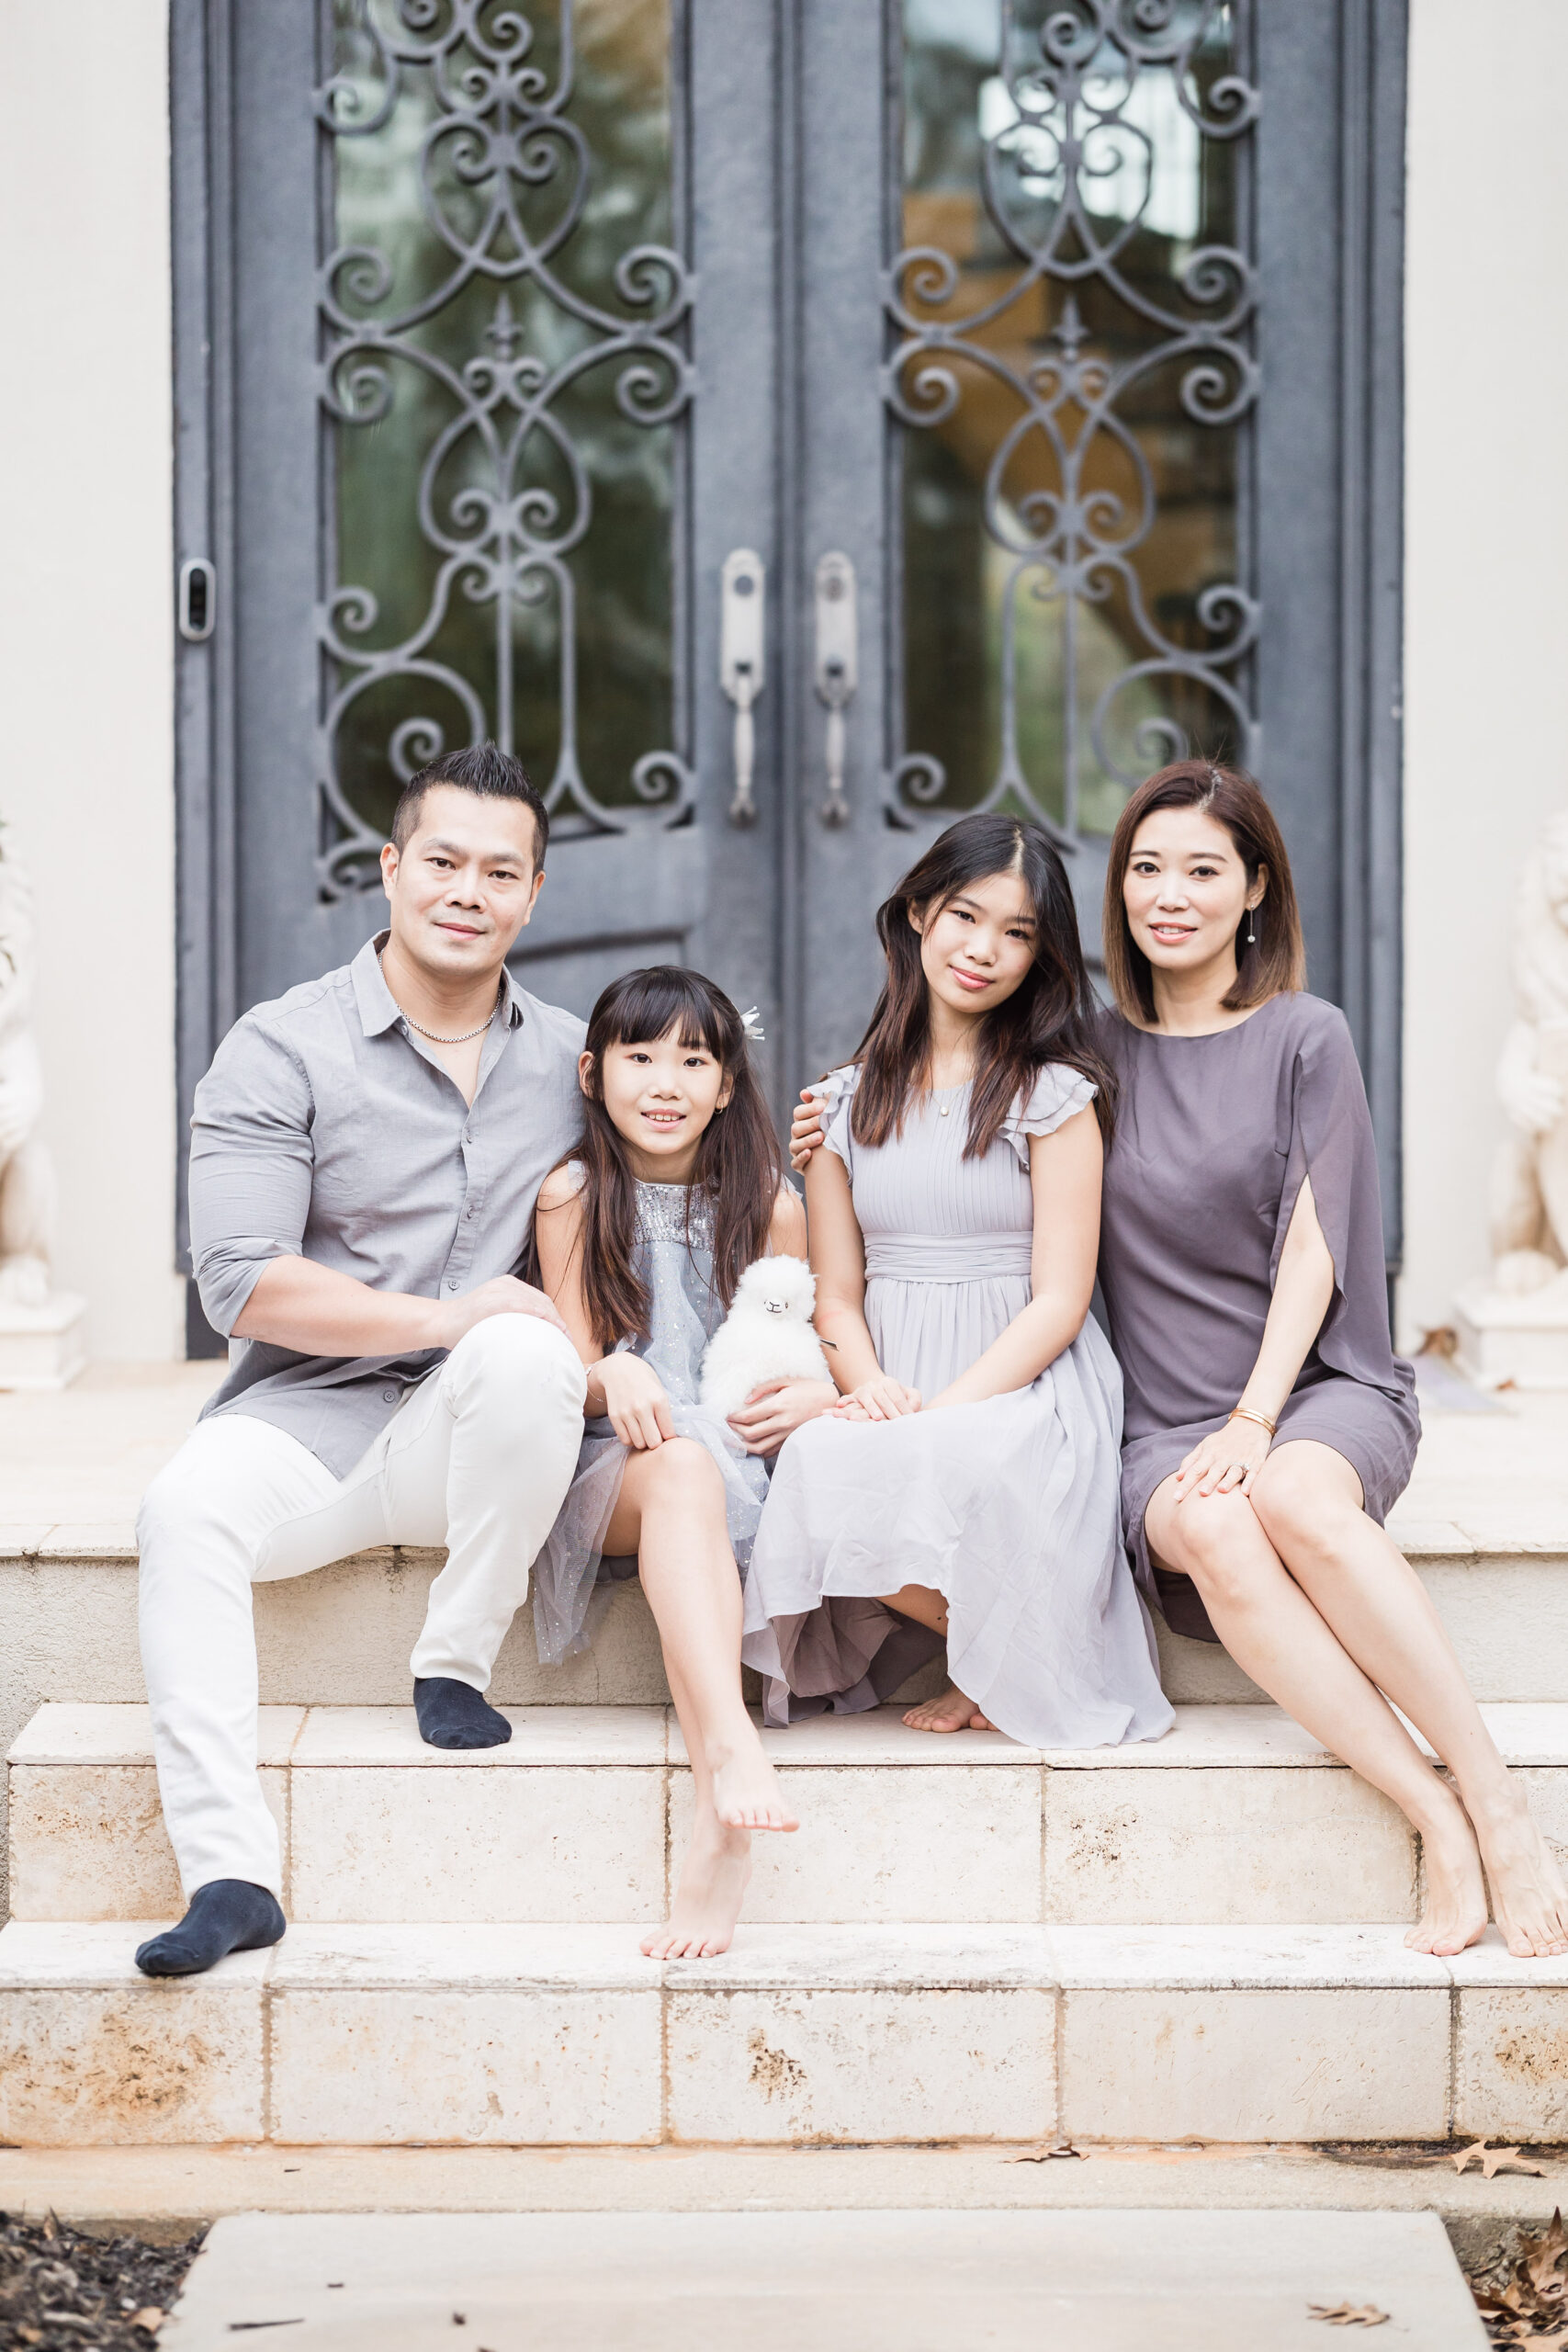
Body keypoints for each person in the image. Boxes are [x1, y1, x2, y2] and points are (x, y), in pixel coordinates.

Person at [1089, 760, 1568, 1958]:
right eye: (1147, 866)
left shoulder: (1305, 1034)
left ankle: (1496, 1799)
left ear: (1253, 890)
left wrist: (1254, 1421)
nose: (1169, 894)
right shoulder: (1083, 1052)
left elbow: (1315, 1238)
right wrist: (827, 1122)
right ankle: (1434, 1819)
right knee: (1206, 1524)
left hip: (1315, 1390)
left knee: (1293, 1495)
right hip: (1158, 1423)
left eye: (1201, 869)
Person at [134, 743, 590, 1977]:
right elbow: (241, 1284)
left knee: (525, 1356)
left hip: (485, 1441)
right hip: (308, 1426)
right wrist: (444, 1316)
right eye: (442, 860)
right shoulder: (282, 1048)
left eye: (501, 872)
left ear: (533, 895)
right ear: (391, 869)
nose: (468, 891)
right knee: (181, 1509)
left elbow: (698, 1158)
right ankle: (230, 1875)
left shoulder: (569, 1061)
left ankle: (452, 1659)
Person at [748, 812, 1173, 1749]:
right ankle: (1003, 1648)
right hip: (888, 1371)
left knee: (968, 1456)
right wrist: (868, 1393)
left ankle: (1009, 1662)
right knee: (821, 1463)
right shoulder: (840, 1103)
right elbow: (838, 1296)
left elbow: (1062, 1299)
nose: (985, 950)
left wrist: (946, 1413)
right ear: (915, 915)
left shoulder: (1055, 1097)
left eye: (1018, 933)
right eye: (965, 916)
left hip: (1022, 1374)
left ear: (1040, 957)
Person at [533, 967, 829, 1958]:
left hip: (729, 1460)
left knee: (704, 1472)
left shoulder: (769, 1204)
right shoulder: (574, 1193)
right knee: (684, 1470)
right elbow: (572, 1369)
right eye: (640, 1055)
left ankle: (719, 1830)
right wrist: (608, 1375)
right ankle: (734, 1753)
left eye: (693, 1060)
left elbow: (812, 1345)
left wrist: (821, 1394)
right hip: (612, 1465)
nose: (666, 1081)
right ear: (591, 1071)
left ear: (728, 1085)